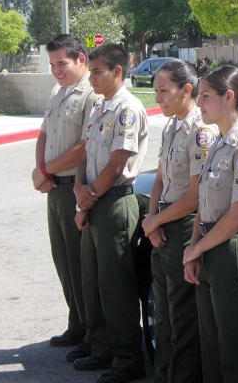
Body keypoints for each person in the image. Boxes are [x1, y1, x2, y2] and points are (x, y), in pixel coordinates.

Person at [183, 66, 238, 383]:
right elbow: (203, 205)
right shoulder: (219, 144)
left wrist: (197, 250)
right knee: (213, 355)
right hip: (212, 248)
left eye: (205, 96)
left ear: (229, 97)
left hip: (235, 253)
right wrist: (194, 249)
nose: (199, 103)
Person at [73, 43, 148, 383]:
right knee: (94, 281)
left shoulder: (127, 109)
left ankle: (128, 359)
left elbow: (118, 162)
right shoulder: (100, 106)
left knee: (117, 286)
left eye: (97, 71)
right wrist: (79, 192)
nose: (91, 78)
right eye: (90, 72)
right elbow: (87, 154)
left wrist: (89, 198)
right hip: (93, 198)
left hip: (114, 200)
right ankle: (101, 347)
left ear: (118, 71)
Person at [141, 59, 217, 383]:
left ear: (187, 90)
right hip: (164, 224)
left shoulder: (201, 131)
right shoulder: (172, 125)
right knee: (165, 321)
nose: (157, 99)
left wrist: (156, 221)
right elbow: (160, 177)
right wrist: (152, 218)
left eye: (163, 91)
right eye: (155, 91)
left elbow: (195, 196)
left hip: (185, 226)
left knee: (183, 323)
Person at [31, 34, 96, 359]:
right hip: (53, 187)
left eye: (62, 63)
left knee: (80, 263)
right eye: (52, 64)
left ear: (80, 60)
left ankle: (92, 333)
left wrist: (47, 170)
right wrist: (41, 169)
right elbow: (44, 132)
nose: (56, 70)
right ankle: (77, 323)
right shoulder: (59, 90)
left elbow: (84, 147)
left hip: (74, 186)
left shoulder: (91, 94)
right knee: (64, 261)